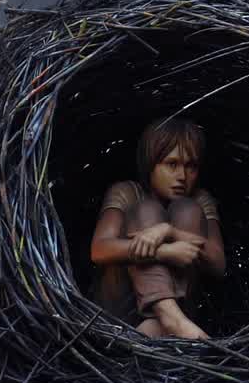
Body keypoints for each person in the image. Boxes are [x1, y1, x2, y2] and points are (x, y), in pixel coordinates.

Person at [89, 117, 226, 339]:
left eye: (191, 167)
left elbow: (218, 264)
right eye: (171, 164)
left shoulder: (200, 200)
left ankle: (163, 322)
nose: (182, 176)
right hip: (121, 315)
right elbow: (99, 249)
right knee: (145, 210)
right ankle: (169, 318)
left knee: (187, 209)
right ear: (150, 164)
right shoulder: (127, 192)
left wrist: (170, 231)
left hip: (178, 316)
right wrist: (165, 252)